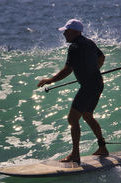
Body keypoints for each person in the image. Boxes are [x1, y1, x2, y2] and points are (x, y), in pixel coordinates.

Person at [37, 19, 109, 164]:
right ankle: (102, 148)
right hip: (97, 83)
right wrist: (92, 70)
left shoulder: (74, 47)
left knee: (72, 119)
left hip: (88, 86)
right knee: (88, 116)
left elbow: (67, 70)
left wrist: (50, 80)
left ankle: (75, 155)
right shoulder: (90, 43)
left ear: (75, 32)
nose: (64, 34)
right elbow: (101, 58)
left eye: (66, 31)